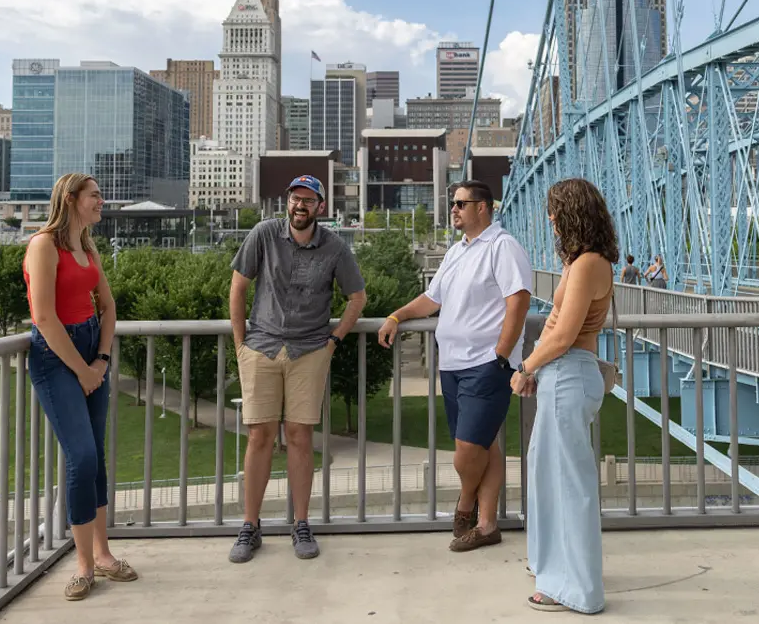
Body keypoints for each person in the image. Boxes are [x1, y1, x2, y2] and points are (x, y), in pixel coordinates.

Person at [378, 180, 531, 552]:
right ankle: (487, 524)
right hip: (453, 364)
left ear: (484, 207)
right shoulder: (457, 252)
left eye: (461, 203)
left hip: (486, 364)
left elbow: (519, 301)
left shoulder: (502, 247)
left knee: (467, 449)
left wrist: (501, 355)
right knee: (483, 445)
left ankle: (464, 506)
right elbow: (432, 299)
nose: (454, 209)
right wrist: (397, 316)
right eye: (453, 203)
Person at [228, 175, 367, 563]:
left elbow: (357, 297)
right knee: (260, 437)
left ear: (321, 207)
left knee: (300, 436)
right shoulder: (263, 234)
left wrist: (334, 339)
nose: (299, 206)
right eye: (294, 199)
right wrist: (241, 345)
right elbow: (237, 288)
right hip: (262, 348)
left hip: (310, 351)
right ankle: (250, 527)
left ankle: (301, 524)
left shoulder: (335, 248)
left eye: (308, 200)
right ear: (286, 202)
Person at [24, 173, 138, 601]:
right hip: (57, 357)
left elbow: (107, 307)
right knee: (81, 456)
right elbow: (45, 318)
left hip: (91, 347)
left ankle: (105, 555)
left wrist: (102, 359)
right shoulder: (43, 246)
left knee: (96, 458)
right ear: (71, 199)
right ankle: (84, 566)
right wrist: (83, 370)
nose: (102, 201)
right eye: (95, 195)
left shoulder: (87, 247)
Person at [510, 177, 618, 614]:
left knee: (568, 484)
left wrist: (526, 367)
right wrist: (540, 367)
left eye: (555, 210)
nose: (550, 218)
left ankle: (577, 588)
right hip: (562, 375)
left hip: (569, 375)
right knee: (546, 475)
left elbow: (565, 334)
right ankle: (553, 566)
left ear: (573, 212)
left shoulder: (590, 263)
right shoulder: (583, 261)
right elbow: (558, 327)